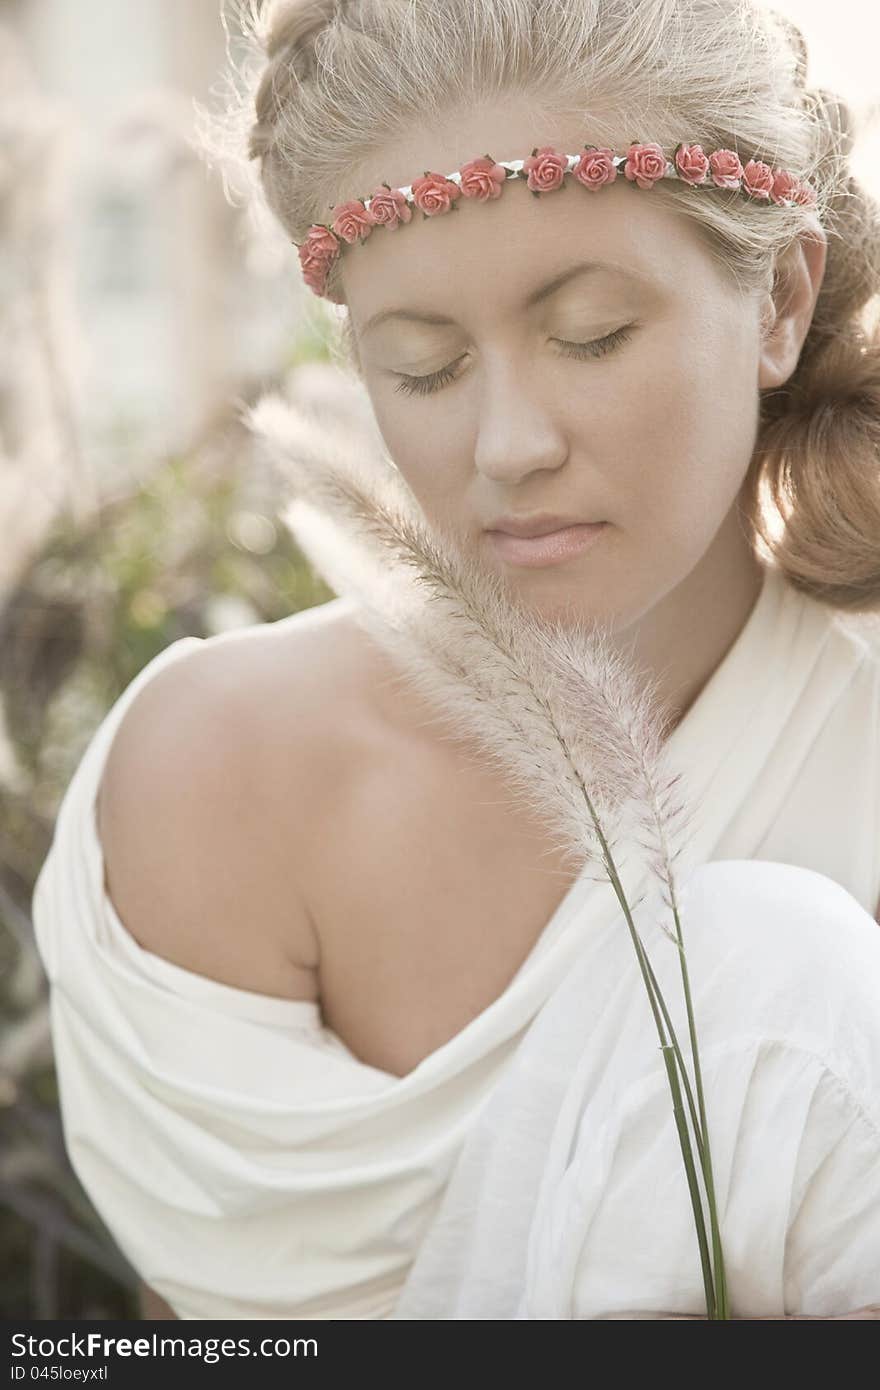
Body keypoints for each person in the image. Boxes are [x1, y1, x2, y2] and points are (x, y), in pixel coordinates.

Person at [31, 0, 880, 1319]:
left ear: (779, 297)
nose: (505, 446)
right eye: (420, 366)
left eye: (591, 332)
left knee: (772, 968)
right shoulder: (216, 788)